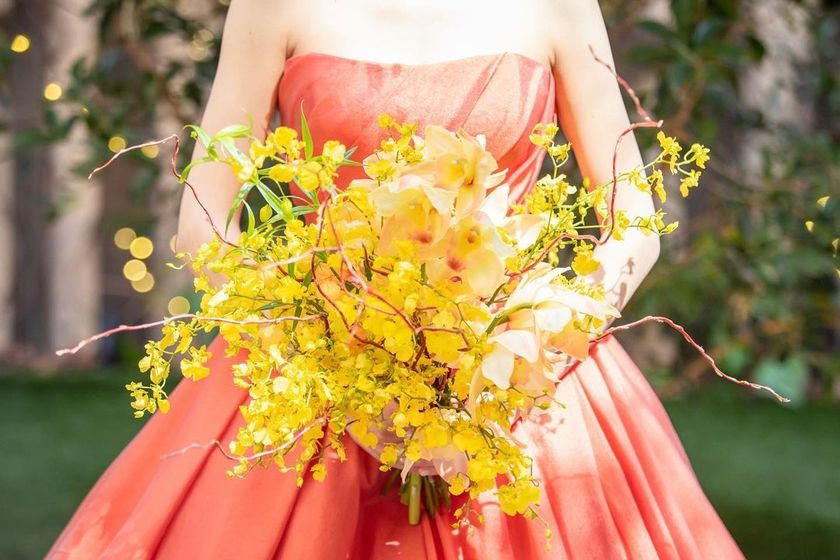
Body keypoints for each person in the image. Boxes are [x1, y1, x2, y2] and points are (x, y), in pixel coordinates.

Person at [48, 1, 746, 558]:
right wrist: (328, 371)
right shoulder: (271, 6)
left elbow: (634, 220)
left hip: (521, 381)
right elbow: (200, 221)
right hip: (309, 383)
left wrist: (519, 360)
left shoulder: (559, 6)